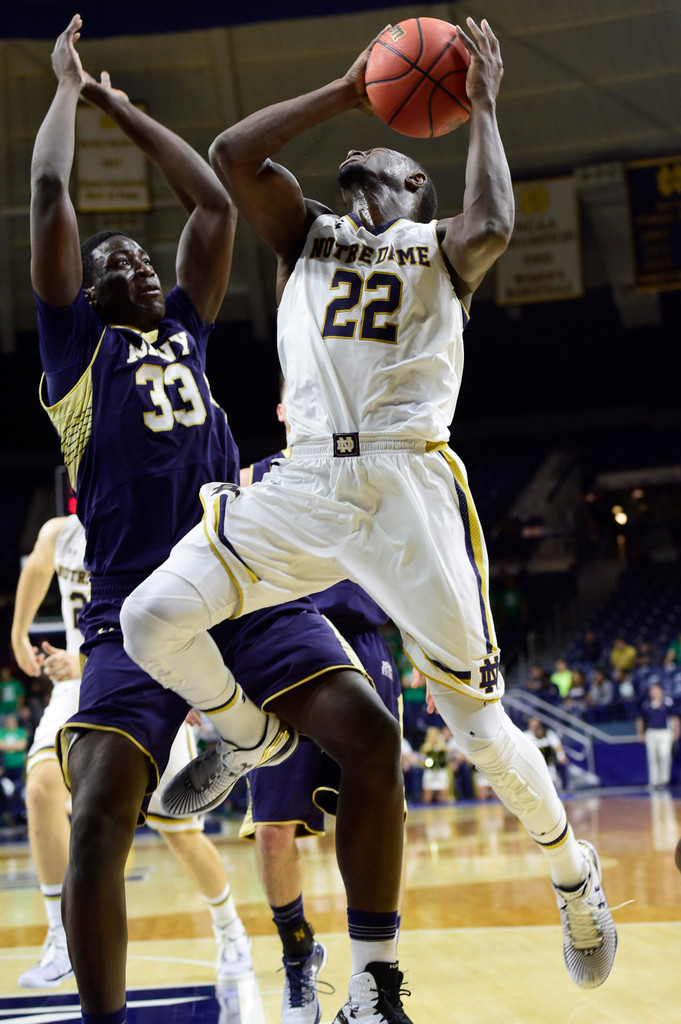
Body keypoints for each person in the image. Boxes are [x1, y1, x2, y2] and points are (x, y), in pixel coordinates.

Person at [121, 16, 618, 1014]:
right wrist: (350, 93)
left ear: (418, 188)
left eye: (388, 154)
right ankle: (246, 736)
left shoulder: (443, 249)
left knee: (475, 727)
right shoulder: (305, 231)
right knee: (148, 621)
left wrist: (480, 108)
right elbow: (229, 155)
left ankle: (572, 875)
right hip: (304, 481)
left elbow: (495, 225)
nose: (366, 155)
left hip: (406, 491)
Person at [31, 18, 404, 1024]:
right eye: (116, 260)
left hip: (240, 580)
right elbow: (52, 197)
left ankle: (373, 984)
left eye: (143, 257)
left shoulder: (189, 330)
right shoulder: (76, 363)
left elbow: (208, 200)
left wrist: (126, 107)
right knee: (104, 812)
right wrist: (69, 92)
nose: (138, 263)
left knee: (373, 739)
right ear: (90, 293)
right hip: (128, 609)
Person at [10, 515, 252, 989]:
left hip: (147, 678)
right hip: (77, 685)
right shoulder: (58, 534)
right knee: (39, 789)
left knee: (180, 832)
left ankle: (230, 929)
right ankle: (61, 938)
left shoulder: (145, 523)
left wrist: (194, 678)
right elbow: (37, 568)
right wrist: (19, 632)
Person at [239, 398, 404, 1024]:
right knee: (274, 833)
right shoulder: (252, 479)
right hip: (280, 644)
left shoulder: (370, 472)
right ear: (282, 408)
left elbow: (409, 570)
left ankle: (373, 982)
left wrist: (433, 660)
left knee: (376, 818)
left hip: (361, 644)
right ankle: (296, 956)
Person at [636, 682, 680, 789]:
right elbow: (640, 719)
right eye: (652, 690)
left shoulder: (667, 703)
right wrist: (640, 733)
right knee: (652, 757)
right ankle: (654, 782)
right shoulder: (646, 704)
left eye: (656, 690)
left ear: (661, 691)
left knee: (664, 755)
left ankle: (664, 781)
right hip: (651, 732)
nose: (654, 692)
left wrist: (676, 732)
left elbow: (675, 718)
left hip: (665, 733)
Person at [524, 717, 569, 791]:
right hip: (533, 763)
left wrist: (561, 756)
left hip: (549, 762)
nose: (535, 728)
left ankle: (564, 789)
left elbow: (557, 746)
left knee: (560, 767)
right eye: (532, 726)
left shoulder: (549, 734)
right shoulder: (526, 735)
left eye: (536, 725)